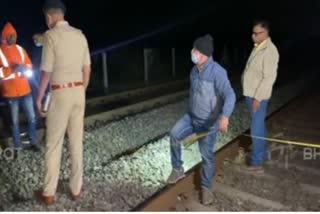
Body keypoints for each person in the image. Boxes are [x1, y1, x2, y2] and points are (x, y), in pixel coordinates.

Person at [166, 34, 236, 205]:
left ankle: (206, 188)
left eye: (196, 50)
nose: (193, 52)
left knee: (206, 156)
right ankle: (177, 168)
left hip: (208, 123)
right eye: (193, 49)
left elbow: (230, 94)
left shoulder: (218, 72)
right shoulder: (194, 70)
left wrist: (224, 117)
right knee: (174, 134)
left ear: (205, 53)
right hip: (191, 117)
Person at [35, 0, 91, 205]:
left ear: (49, 17)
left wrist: (40, 96)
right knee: (76, 142)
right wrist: (80, 90)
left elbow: (46, 71)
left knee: (54, 143)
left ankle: (49, 192)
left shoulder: (50, 37)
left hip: (60, 93)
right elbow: (87, 70)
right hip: (78, 92)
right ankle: (76, 189)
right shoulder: (80, 35)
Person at [241, 20, 279, 173]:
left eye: (256, 33)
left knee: (256, 128)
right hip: (251, 93)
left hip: (258, 96)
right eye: (253, 32)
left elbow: (269, 78)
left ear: (265, 33)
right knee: (259, 125)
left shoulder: (270, 50)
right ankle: (262, 153)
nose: (253, 35)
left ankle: (257, 163)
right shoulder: (259, 47)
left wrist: (258, 98)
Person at [0, 22, 40, 151]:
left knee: (32, 118)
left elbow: (29, 64)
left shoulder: (20, 49)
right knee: (14, 122)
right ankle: (18, 146)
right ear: (4, 36)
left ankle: (33, 141)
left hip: (25, 90)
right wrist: (12, 69)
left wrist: (24, 68)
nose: (12, 37)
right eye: (9, 35)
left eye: (13, 35)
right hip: (10, 93)